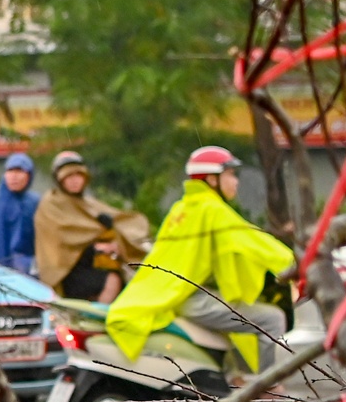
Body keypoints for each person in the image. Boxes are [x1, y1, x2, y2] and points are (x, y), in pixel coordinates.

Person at [105, 146, 294, 372]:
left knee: (232, 317)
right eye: (231, 175)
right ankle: (270, 387)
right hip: (195, 298)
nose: (236, 182)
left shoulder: (181, 209)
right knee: (271, 319)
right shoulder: (212, 209)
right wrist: (295, 264)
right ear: (212, 180)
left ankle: (233, 377)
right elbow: (253, 241)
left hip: (173, 296)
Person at [33, 151, 150, 302]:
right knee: (112, 280)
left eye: (78, 175)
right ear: (59, 180)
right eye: (69, 177)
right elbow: (61, 241)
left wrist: (114, 237)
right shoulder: (51, 205)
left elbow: (121, 222)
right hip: (66, 272)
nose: (74, 181)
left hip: (98, 264)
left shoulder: (88, 203)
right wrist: (96, 247)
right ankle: (99, 321)